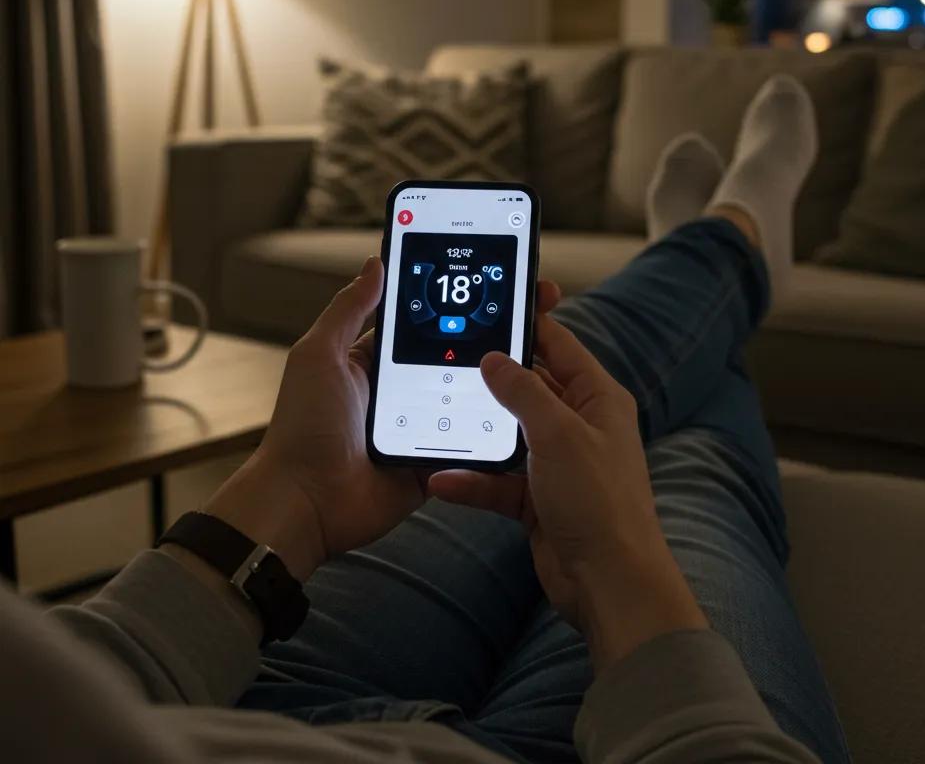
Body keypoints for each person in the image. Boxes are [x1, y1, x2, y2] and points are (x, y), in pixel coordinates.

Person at [1, 77, 849, 764]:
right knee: (681, 464)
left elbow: (78, 693)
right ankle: (734, 240)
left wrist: (293, 492)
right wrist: (619, 569)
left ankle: (729, 247)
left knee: (577, 375)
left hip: (252, 705)